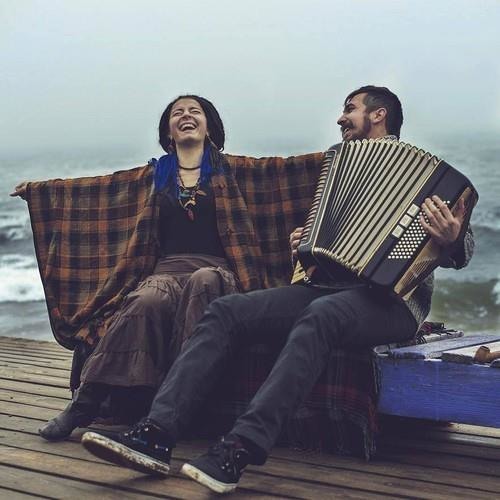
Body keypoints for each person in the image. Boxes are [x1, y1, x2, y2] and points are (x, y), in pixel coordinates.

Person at [80, 85, 474, 493]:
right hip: (325, 286)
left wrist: (451, 238)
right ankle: (156, 433)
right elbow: (326, 234)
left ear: (378, 115)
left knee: (321, 315)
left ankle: (239, 448)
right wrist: (304, 245)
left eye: (350, 109)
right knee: (227, 311)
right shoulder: (339, 162)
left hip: (390, 302)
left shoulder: (429, 175)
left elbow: (464, 248)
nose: (341, 118)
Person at [11, 95, 326, 442]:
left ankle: (175, 411)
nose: (186, 115)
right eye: (178, 113)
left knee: (203, 282)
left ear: (209, 127)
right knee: (146, 299)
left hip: (217, 270)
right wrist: (41, 192)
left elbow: (290, 172)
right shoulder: (155, 175)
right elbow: (96, 190)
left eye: (195, 111)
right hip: (166, 271)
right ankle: (83, 405)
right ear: (168, 132)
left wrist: (342, 156)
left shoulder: (233, 170)